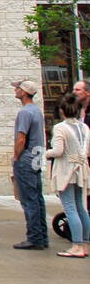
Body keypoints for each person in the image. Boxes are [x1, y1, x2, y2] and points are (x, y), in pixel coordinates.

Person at [46, 93, 90, 259]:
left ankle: (76, 245)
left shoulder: (60, 128)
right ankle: (84, 243)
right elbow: (86, 150)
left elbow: (58, 151)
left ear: (62, 111)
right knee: (81, 207)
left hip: (66, 169)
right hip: (82, 168)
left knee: (70, 208)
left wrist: (45, 153)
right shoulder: (84, 127)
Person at [11, 79, 49, 250]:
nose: (15, 91)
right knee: (37, 198)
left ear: (24, 92)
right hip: (37, 157)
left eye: (18, 88)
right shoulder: (37, 111)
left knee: (29, 199)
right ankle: (42, 236)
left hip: (26, 158)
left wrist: (16, 156)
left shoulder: (25, 113)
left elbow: (21, 138)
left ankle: (34, 238)